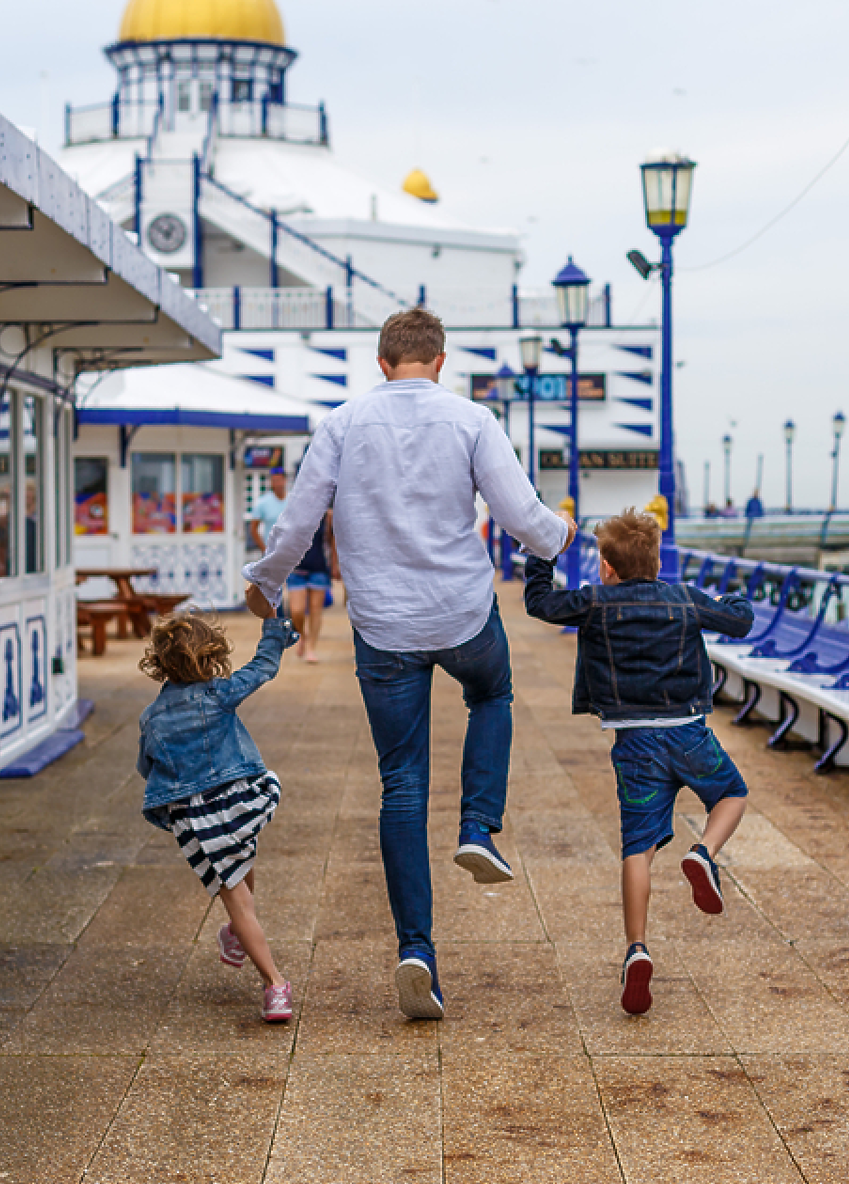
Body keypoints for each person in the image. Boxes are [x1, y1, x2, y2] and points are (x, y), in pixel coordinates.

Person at [244, 307, 576, 1020]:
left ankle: (417, 951)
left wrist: (265, 583)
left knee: (401, 783)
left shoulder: (341, 423)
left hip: (384, 625)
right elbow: (523, 516)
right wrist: (560, 534)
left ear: (383, 362)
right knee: (492, 695)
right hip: (461, 613)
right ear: (441, 361)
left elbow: (298, 521)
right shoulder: (471, 420)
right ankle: (478, 826)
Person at [522, 508, 755, 1017]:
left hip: (635, 745)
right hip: (688, 733)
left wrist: (544, 550)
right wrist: (734, 592)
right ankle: (704, 853)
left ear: (606, 566)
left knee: (637, 848)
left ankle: (637, 948)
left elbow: (539, 602)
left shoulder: (595, 602)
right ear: (654, 561)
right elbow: (738, 620)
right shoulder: (684, 598)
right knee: (732, 795)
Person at [137, 611, 300, 1023]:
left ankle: (236, 934)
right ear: (209, 657)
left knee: (237, 896)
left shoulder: (151, 719)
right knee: (241, 888)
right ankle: (273, 984)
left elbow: (148, 767)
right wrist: (275, 631)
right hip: (239, 802)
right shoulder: (218, 694)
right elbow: (263, 667)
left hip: (201, 819)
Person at [283, 509, 338, 664]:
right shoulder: (294, 511)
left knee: (315, 610)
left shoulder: (327, 516)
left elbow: (332, 541)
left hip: (319, 567)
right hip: (296, 568)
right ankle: (303, 636)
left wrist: (335, 564)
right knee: (296, 611)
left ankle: (311, 648)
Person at [247, 467, 289, 551]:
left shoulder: (293, 500)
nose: (278, 484)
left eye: (280, 480)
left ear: (285, 481)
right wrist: (264, 549)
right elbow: (253, 528)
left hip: (290, 551)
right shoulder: (263, 502)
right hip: (271, 551)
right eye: (275, 481)